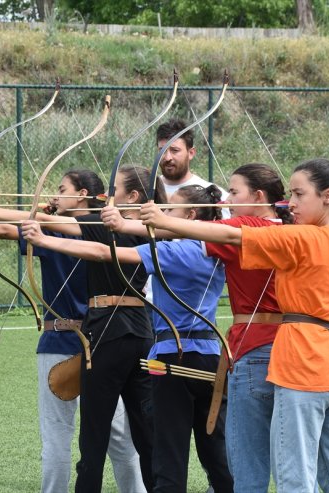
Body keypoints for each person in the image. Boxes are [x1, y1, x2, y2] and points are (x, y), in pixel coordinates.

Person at [138, 158, 329, 493]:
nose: (290, 203)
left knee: (295, 474)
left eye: (298, 194)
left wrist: (165, 222)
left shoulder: (304, 238)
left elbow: (231, 234)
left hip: (304, 364)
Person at [0, 169, 146, 493]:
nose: (54, 195)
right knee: (117, 434)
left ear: (83, 194)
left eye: (62, 189)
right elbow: (7, 228)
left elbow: (4, 230)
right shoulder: (111, 230)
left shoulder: (75, 229)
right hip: (104, 339)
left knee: (58, 432)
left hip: (64, 339)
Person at [22, 184, 235, 493]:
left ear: (189, 215)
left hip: (171, 359)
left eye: (170, 210)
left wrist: (42, 238)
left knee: (168, 455)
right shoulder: (217, 248)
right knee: (215, 453)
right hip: (210, 357)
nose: (163, 214)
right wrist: (121, 223)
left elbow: (103, 252)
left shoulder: (174, 250)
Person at [103, 163, 292, 492]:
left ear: (259, 196)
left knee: (231, 455)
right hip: (285, 347)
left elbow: (202, 232)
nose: (227, 199)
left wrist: (128, 222)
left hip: (244, 349)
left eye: (234, 192)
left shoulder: (245, 228)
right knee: (264, 454)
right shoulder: (296, 229)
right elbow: (200, 231)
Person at [156, 118, 228, 201]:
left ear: (191, 153)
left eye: (175, 150)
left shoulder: (209, 193)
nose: (167, 157)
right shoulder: (146, 188)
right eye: (162, 151)